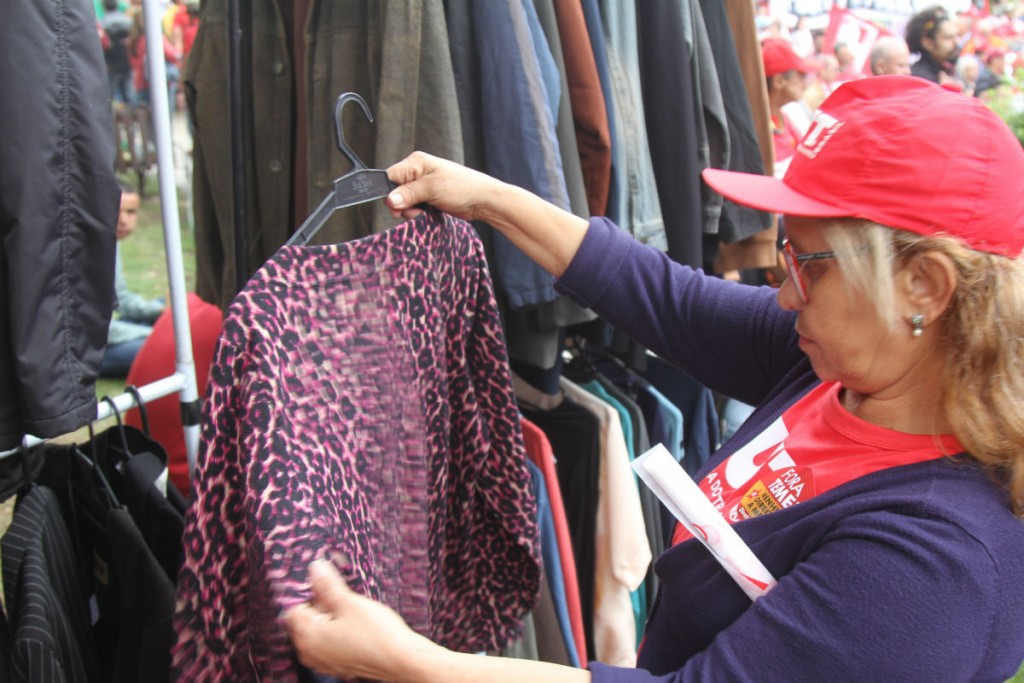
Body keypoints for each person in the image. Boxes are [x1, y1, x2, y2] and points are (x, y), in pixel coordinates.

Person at [285, 76, 1024, 681]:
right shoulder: (839, 366)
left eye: (807, 261)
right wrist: (485, 197)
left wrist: (415, 664)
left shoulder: (936, 563)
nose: (784, 290)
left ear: (924, 286)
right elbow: (666, 297)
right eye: (781, 252)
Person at [100, 184, 165, 377]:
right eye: (116, 211)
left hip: (112, 330)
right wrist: (153, 335)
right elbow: (94, 330)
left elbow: (122, 300)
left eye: (130, 212)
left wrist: (160, 311)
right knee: (167, 347)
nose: (123, 220)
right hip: (91, 349)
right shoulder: (91, 249)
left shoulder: (113, 243)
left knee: (169, 307)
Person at [761, 37, 819, 177]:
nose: (805, 85)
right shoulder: (759, 125)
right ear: (779, 81)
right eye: (800, 77)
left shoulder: (785, 116)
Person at [906, 5, 961, 84]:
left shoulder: (946, 72)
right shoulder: (920, 79)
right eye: (948, 38)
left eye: (956, 36)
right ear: (928, 43)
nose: (957, 42)